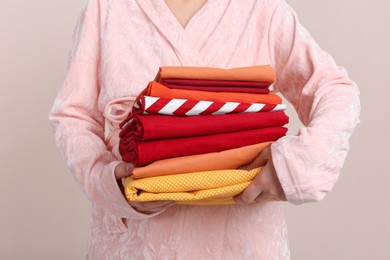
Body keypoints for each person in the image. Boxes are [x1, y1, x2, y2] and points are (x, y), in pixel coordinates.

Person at [49, 0, 360, 259]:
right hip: (134, 243)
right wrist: (109, 182)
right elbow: (73, 115)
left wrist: (294, 165)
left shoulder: (261, 9)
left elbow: (333, 89)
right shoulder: (108, 8)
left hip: (241, 242)